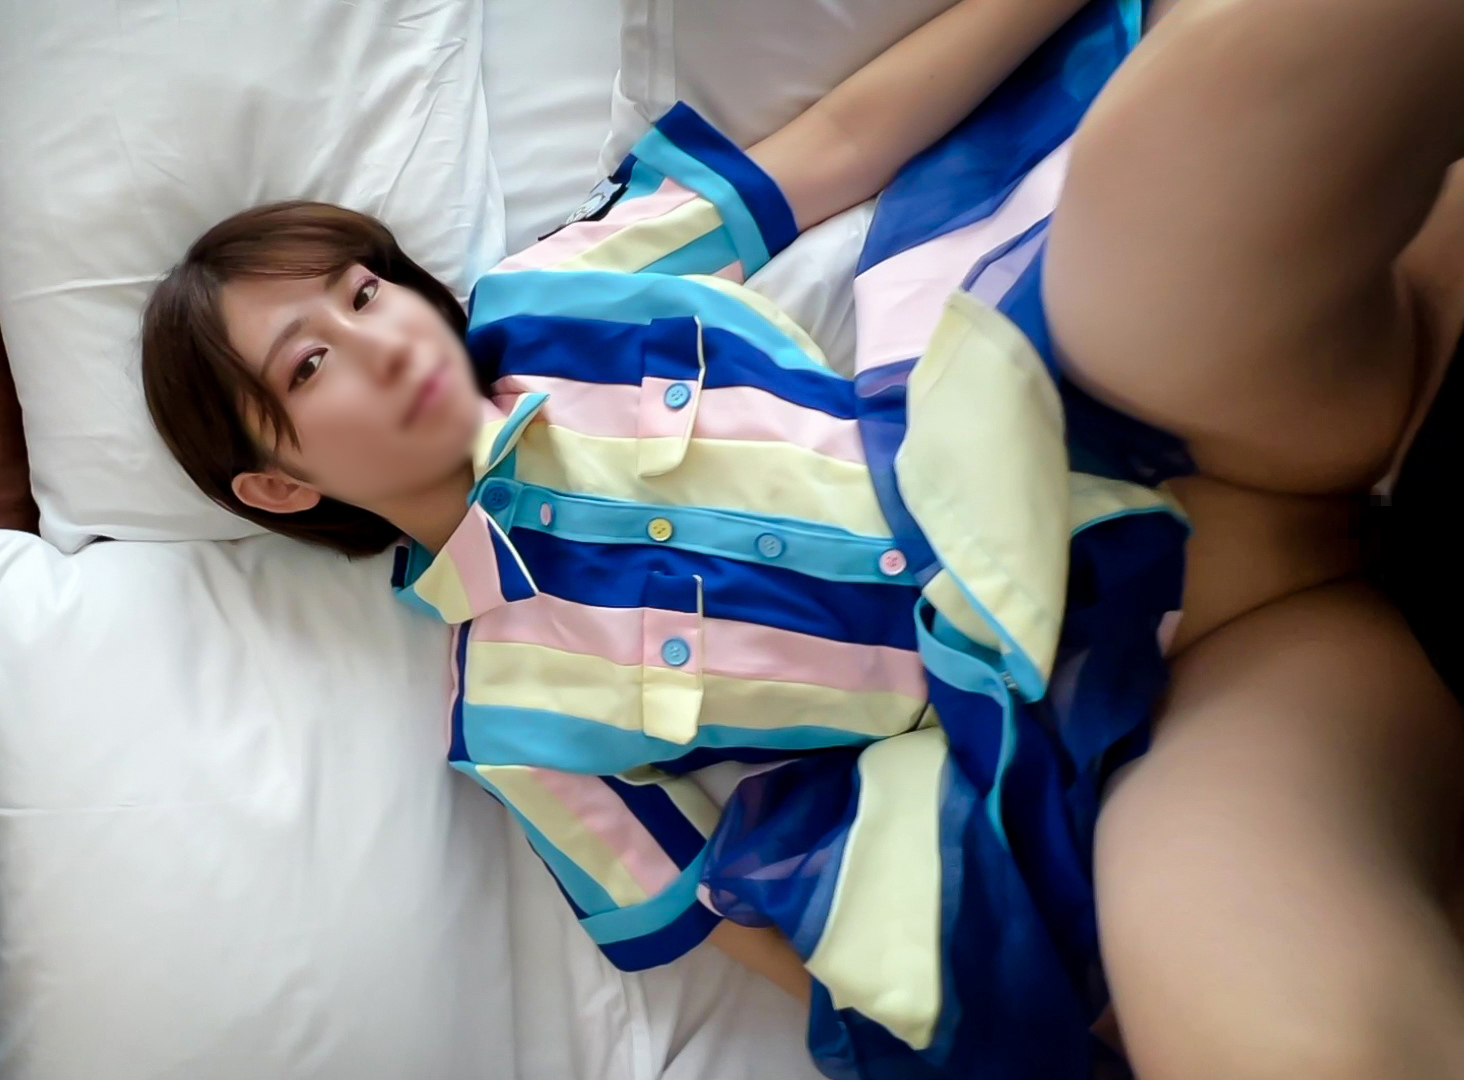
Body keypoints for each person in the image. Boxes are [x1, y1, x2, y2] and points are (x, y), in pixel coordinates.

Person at [140, 0, 1464, 1076]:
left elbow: (842, 138)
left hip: (1148, 414)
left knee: (1219, 99)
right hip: (1176, 700)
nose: (379, 336)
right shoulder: (512, 726)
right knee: (1265, 1037)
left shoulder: (562, 291)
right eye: (312, 362)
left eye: (365, 289)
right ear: (278, 488)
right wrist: (1025, 1021)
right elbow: (713, 912)